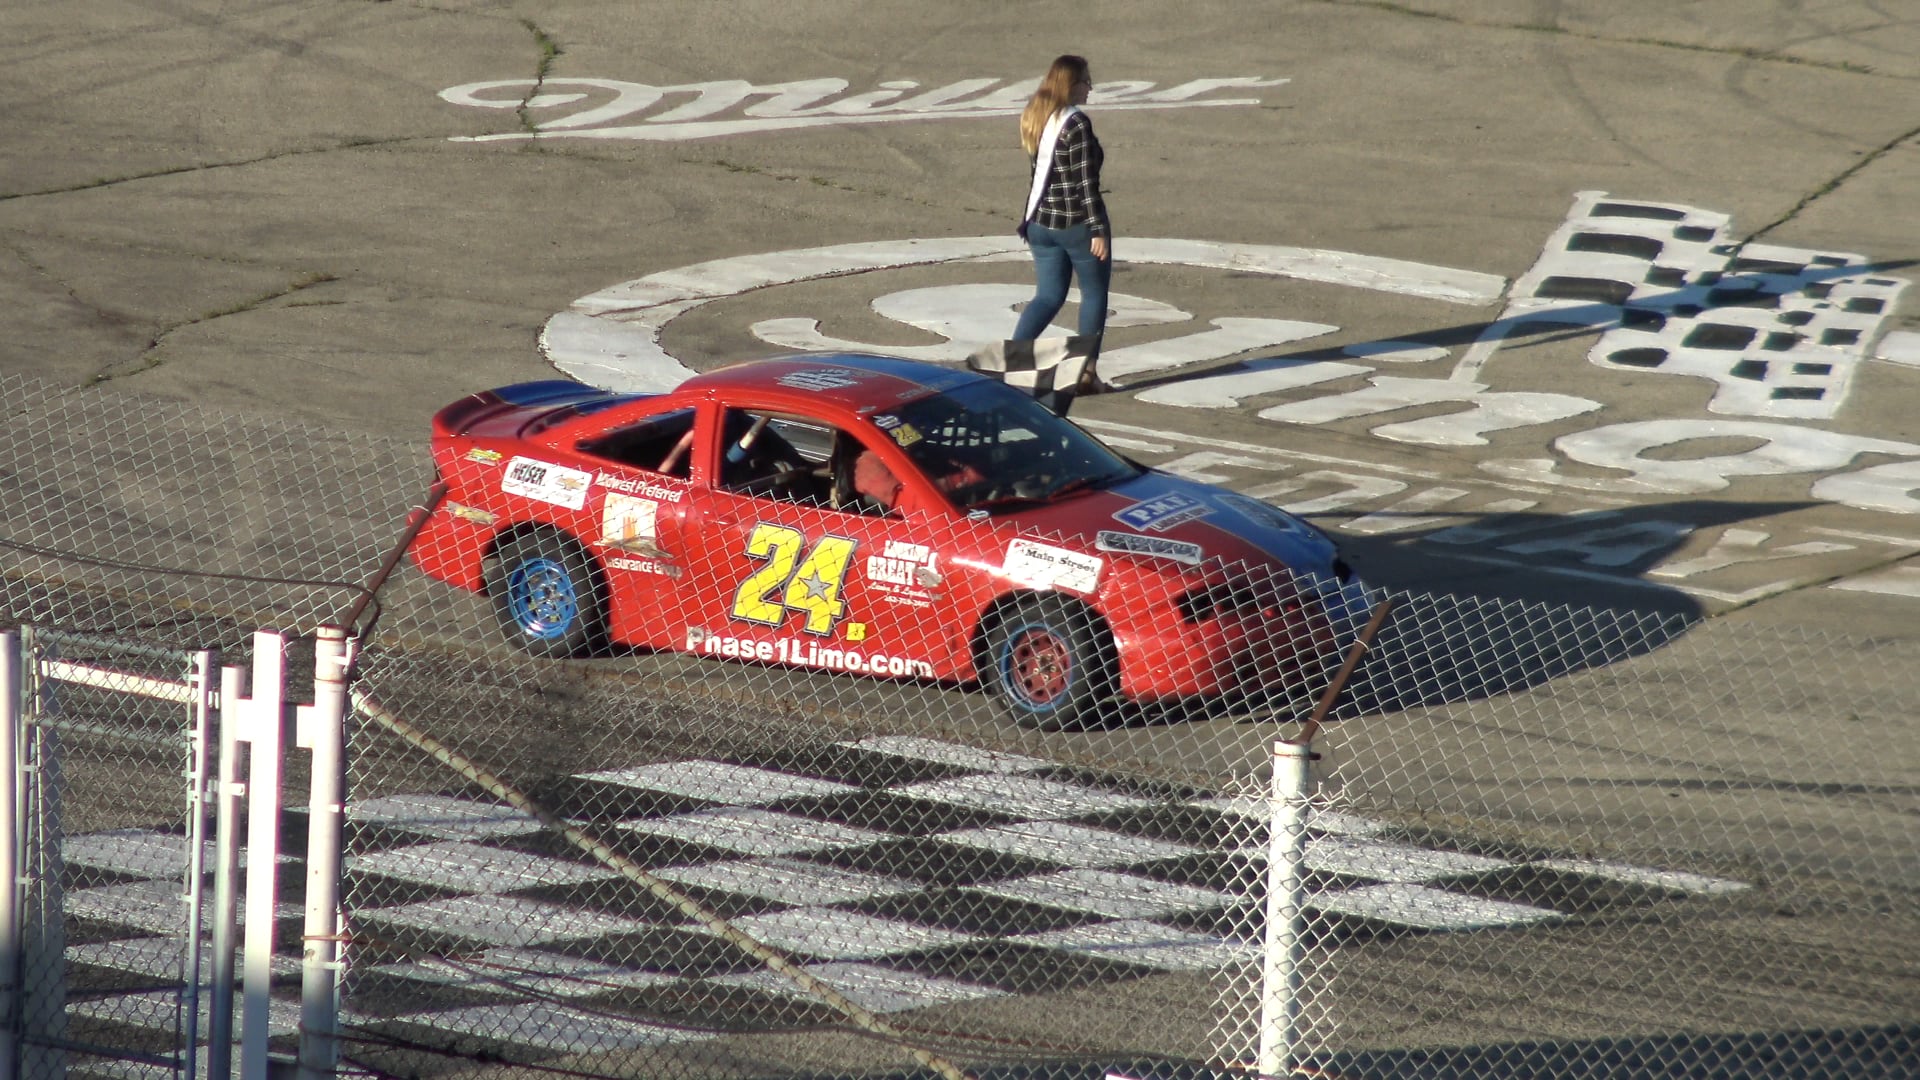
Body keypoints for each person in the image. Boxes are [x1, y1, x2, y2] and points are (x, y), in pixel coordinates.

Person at [1012, 54, 1111, 388]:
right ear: (1072, 84)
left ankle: (1015, 362)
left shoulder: (1036, 116)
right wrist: (1097, 230)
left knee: (1048, 296)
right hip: (1075, 224)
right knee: (1094, 293)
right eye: (1086, 81)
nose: (1090, 88)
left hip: (1040, 222)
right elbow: (1086, 183)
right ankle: (1086, 373)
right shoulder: (1076, 122)